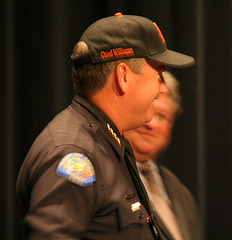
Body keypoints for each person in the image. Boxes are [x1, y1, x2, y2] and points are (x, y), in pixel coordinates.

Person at [16, 13, 195, 240]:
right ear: (124, 76)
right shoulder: (74, 153)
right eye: (158, 75)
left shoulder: (107, 143)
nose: (163, 89)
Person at [124, 71, 204, 240]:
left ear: (171, 125)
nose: (151, 123)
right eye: (147, 110)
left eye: (162, 116)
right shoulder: (104, 176)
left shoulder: (181, 193)